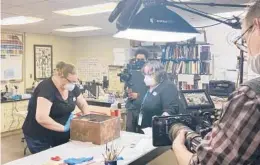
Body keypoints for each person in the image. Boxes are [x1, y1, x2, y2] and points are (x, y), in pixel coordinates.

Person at [172, 1, 260, 165]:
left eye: (245, 40)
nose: (247, 51)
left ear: (257, 26)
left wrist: (178, 146)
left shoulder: (251, 97)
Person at [22, 62, 89, 154]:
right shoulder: (46, 88)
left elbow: (83, 104)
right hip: (40, 135)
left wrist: (87, 119)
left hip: (60, 135)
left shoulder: (72, 87)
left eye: (75, 82)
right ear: (60, 76)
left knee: (63, 158)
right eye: (71, 81)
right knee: (47, 161)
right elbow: (41, 118)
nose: (73, 85)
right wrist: (64, 128)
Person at [139, 61, 183, 129]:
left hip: (158, 130)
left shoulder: (168, 86)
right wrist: (139, 124)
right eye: (145, 75)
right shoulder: (149, 86)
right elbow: (143, 107)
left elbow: (171, 109)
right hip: (145, 128)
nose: (146, 78)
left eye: (150, 75)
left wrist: (160, 124)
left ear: (159, 75)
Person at [125, 47, 149, 132]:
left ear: (147, 60)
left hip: (143, 110)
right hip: (131, 109)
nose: (139, 61)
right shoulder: (131, 73)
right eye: (138, 59)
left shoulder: (151, 75)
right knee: (129, 131)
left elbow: (153, 95)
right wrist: (128, 92)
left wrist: (138, 95)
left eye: (142, 59)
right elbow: (126, 90)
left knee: (142, 131)